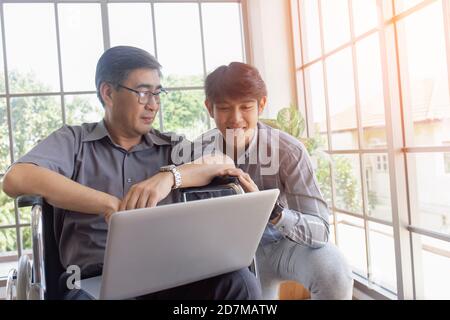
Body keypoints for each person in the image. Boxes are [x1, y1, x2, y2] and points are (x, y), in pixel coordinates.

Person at [2, 47, 261, 300]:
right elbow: (17, 177)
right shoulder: (74, 142)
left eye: (158, 94)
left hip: (168, 276)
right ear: (108, 93)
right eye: (143, 93)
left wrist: (169, 178)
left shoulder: (171, 147)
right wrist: (107, 204)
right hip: (92, 281)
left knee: (239, 283)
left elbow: (222, 161)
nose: (153, 105)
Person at [196, 62, 354, 299]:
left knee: (334, 271)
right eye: (225, 108)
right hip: (230, 256)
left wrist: (272, 210)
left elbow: (320, 231)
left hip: (285, 246)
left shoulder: (288, 151)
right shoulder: (197, 152)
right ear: (210, 108)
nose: (235, 118)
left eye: (246, 106)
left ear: (261, 104)